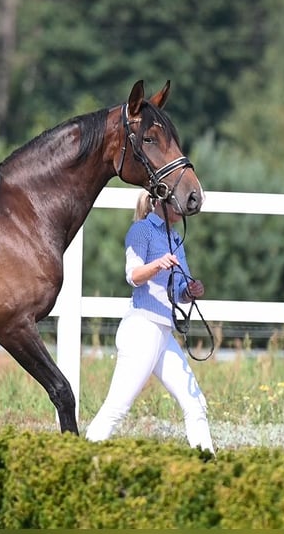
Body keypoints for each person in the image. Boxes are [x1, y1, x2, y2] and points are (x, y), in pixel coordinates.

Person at [85, 190, 214, 453]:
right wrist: (157, 265)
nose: (181, 210)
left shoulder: (176, 237)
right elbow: (133, 275)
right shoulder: (141, 231)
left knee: (195, 402)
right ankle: (81, 458)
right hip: (142, 329)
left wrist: (190, 291)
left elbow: (178, 288)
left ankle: (207, 466)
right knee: (117, 407)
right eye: (176, 204)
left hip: (163, 333)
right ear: (160, 201)